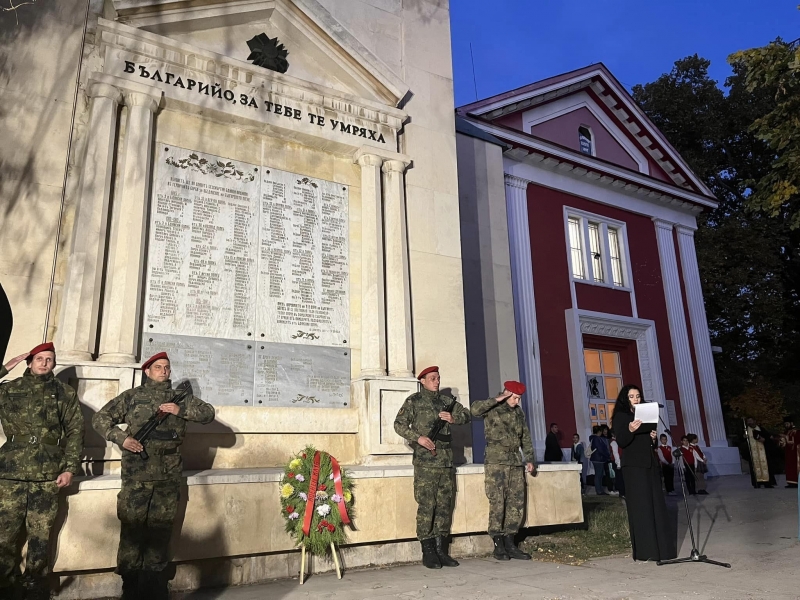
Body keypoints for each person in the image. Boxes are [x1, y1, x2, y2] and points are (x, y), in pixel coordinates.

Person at [92, 352, 215, 599]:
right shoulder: (132, 396)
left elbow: (208, 413)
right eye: (158, 367)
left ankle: (155, 583)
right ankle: (130, 582)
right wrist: (122, 438)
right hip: (136, 474)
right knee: (132, 528)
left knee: (161, 528)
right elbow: (100, 418)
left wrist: (180, 411)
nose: (164, 371)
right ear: (147, 371)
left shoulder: (181, 399)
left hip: (168, 475)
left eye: (167, 367)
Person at [0, 343, 84, 600]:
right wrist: (5, 367)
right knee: (4, 535)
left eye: (49, 359)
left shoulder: (63, 393)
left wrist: (70, 468)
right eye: (39, 358)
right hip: (10, 472)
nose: (44, 363)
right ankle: (5, 588)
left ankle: (35, 591)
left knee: (40, 537)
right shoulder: (9, 389)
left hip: (47, 473)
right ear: (29, 362)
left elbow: (75, 431)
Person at [394, 366, 471, 569]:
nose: (436, 382)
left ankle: (441, 549)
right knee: (427, 505)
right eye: (432, 378)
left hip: (445, 461)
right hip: (426, 462)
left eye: (438, 378)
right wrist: (418, 438)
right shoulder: (414, 401)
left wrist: (454, 419)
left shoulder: (447, 402)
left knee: (444, 506)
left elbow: (467, 414)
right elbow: (399, 424)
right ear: (422, 381)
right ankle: (428, 551)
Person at [470, 381, 535, 561]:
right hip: (496, 462)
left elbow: (526, 437)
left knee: (516, 503)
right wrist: (497, 399)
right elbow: (474, 410)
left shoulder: (518, 412)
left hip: (514, 462)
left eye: (519, 398)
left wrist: (529, 458)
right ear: (506, 393)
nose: (517, 401)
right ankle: (498, 543)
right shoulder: (492, 407)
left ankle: (510, 542)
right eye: (514, 397)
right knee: (498, 502)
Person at [611, 384, 676, 562]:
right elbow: (622, 442)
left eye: (638, 396)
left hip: (650, 465)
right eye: (632, 396)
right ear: (625, 398)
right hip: (633, 467)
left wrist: (653, 438)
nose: (636, 399)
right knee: (641, 508)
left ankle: (662, 550)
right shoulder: (621, 416)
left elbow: (649, 444)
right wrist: (630, 429)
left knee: (656, 506)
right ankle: (646, 551)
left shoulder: (645, 414)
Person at [744, 418, 777, 489]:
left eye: (751, 421)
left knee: (766, 466)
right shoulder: (746, 431)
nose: (749, 422)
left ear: (755, 421)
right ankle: (757, 483)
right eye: (748, 421)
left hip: (763, 452)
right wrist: (743, 437)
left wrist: (764, 439)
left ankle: (767, 483)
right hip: (753, 453)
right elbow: (742, 442)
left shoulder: (761, 429)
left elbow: (768, 437)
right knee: (754, 468)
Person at [589, 425, 610, 495]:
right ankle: (599, 490)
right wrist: (607, 455)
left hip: (597, 458)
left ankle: (600, 489)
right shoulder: (596, 439)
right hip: (598, 459)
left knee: (599, 475)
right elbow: (600, 449)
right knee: (598, 475)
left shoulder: (594, 438)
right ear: (599, 431)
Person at [779, 419, 798, 488]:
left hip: (796, 453)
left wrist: (785, 437)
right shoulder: (786, 431)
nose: (786, 425)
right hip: (788, 453)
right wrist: (781, 441)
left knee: (795, 467)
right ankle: (790, 482)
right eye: (785, 424)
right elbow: (783, 443)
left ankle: (796, 482)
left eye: (787, 423)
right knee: (789, 467)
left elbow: (796, 440)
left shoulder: (796, 431)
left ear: (791, 423)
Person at [610, 432, 625, 498]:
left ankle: (621, 492)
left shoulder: (615, 442)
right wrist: (618, 464)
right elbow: (616, 453)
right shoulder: (614, 442)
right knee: (619, 478)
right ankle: (621, 492)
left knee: (620, 477)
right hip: (616, 462)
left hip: (617, 461)